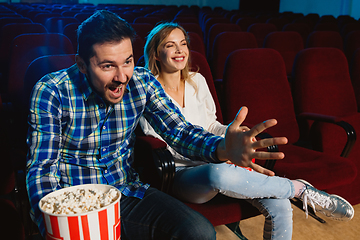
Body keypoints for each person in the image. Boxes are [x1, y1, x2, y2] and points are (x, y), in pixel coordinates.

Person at [25, 10, 352, 240]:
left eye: (127, 61)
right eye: (108, 66)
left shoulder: (141, 82)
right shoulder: (51, 90)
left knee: (198, 231)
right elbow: (42, 168)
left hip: (126, 190)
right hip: (73, 200)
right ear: (82, 64)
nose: (122, 76)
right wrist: (53, 223)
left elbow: (179, 130)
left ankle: (298, 189)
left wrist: (223, 146)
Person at [139, 22, 355, 240]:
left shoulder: (198, 81)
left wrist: (232, 138)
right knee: (218, 172)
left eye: (183, 44)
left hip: (220, 159)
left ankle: (291, 191)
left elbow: (212, 125)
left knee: (279, 203)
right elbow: (169, 146)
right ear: (156, 54)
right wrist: (221, 150)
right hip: (185, 175)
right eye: (170, 45)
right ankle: (298, 188)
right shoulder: (147, 93)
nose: (179, 50)